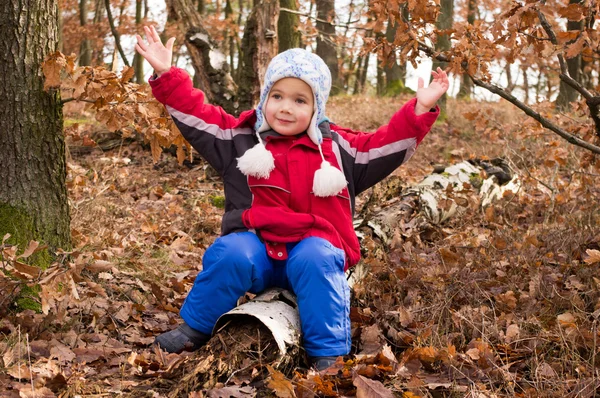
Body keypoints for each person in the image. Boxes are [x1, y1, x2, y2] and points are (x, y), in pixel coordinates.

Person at [135, 25, 448, 370]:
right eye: (278, 96)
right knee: (231, 252)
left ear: (317, 107)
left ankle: (326, 353)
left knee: (316, 258)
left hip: (311, 249)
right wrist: (168, 75)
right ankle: (196, 327)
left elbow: (384, 147)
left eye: (300, 100)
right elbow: (197, 118)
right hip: (258, 250)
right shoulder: (238, 139)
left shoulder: (339, 150)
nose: (286, 108)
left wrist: (418, 110)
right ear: (265, 96)